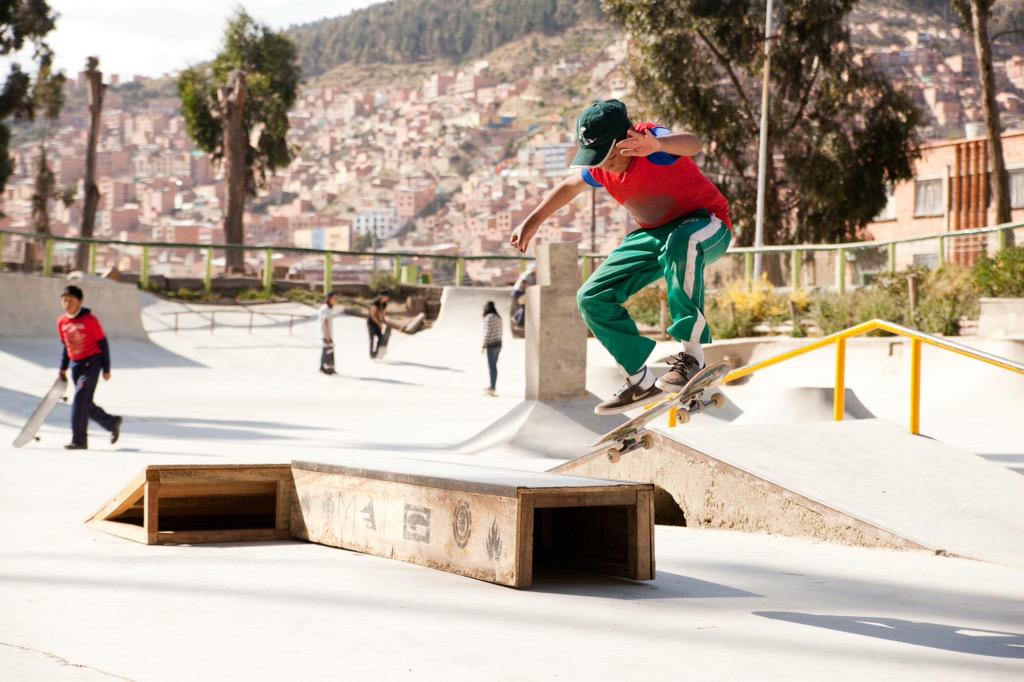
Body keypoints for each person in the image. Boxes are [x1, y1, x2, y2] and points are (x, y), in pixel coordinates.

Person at [509, 99, 732, 415]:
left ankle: (692, 358)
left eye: (609, 156)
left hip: (707, 225)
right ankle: (639, 381)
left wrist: (657, 143)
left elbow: (692, 144)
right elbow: (569, 186)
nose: (603, 165)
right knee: (591, 296)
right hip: (655, 235)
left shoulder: (650, 143)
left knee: (681, 242)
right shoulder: (600, 170)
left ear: (627, 139)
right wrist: (532, 220)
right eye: (595, 158)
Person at [56, 285, 122, 449]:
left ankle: (79, 440)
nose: (67, 303)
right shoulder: (62, 322)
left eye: (71, 300)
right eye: (64, 300)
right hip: (76, 365)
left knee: (79, 400)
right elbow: (66, 346)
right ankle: (112, 422)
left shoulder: (90, 320)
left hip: (92, 362)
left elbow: (103, 344)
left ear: (80, 302)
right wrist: (63, 368)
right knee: (84, 402)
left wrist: (106, 368)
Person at [481, 301, 503, 396]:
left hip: (491, 345)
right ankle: (492, 386)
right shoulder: (498, 317)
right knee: (494, 366)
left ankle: (492, 387)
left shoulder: (488, 317)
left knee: (492, 367)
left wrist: (483, 345)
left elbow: (487, 332)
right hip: (499, 344)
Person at [367, 291, 391, 359]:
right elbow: (372, 315)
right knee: (372, 339)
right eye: (386, 297)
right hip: (371, 323)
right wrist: (379, 323)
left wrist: (385, 322)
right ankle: (371, 354)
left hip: (378, 323)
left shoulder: (384, 304)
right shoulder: (374, 303)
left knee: (380, 338)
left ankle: (377, 353)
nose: (388, 298)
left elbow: (383, 314)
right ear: (382, 296)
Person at [318, 292, 337, 374]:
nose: (335, 300)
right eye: (334, 298)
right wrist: (327, 335)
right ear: (329, 299)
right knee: (328, 351)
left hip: (328, 333)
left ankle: (323, 368)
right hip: (326, 334)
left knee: (326, 350)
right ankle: (327, 369)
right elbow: (324, 322)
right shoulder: (325, 308)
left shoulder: (329, 309)